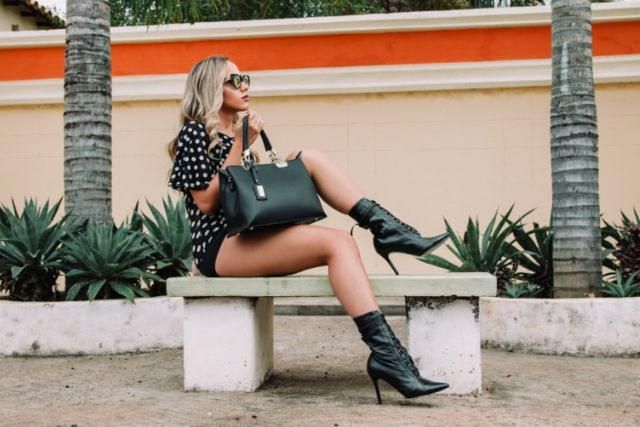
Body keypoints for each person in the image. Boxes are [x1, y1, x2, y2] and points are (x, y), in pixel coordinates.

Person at [167, 55, 452, 404]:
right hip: (220, 244)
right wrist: (243, 143)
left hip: (250, 233)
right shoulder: (194, 133)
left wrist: (243, 142)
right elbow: (209, 203)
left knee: (311, 158)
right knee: (337, 245)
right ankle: (389, 358)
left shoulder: (234, 132)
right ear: (211, 87)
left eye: (246, 78)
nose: (244, 86)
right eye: (234, 80)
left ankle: (387, 230)